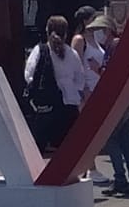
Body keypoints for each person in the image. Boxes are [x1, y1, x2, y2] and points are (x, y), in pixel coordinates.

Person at [93, 16, 129, 198]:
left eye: (98, 30)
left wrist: (96, 69)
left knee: (111, 139)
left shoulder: (113, 46)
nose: (96, 34)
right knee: (125, 140)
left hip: (120, 99)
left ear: (106, 30)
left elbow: (110, 72)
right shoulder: (122, 44)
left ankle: (120, 179)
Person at [24, 15, 86, 152]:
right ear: (66, 33)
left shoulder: (40, 50)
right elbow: (80, 78)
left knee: (40, 147)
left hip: (48, 104)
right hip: (69, 103)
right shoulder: (72, 54)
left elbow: (29, 74)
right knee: (69, 147)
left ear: (47, 31)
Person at [71, 6, 110, 184]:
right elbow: (77, 66)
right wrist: (83, 89)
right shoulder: (80, 40)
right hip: (87, 90)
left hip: (98, 88)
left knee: (97, 130)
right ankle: (90, 167)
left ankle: (90, 166)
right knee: (89, 129)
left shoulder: (94, 38)